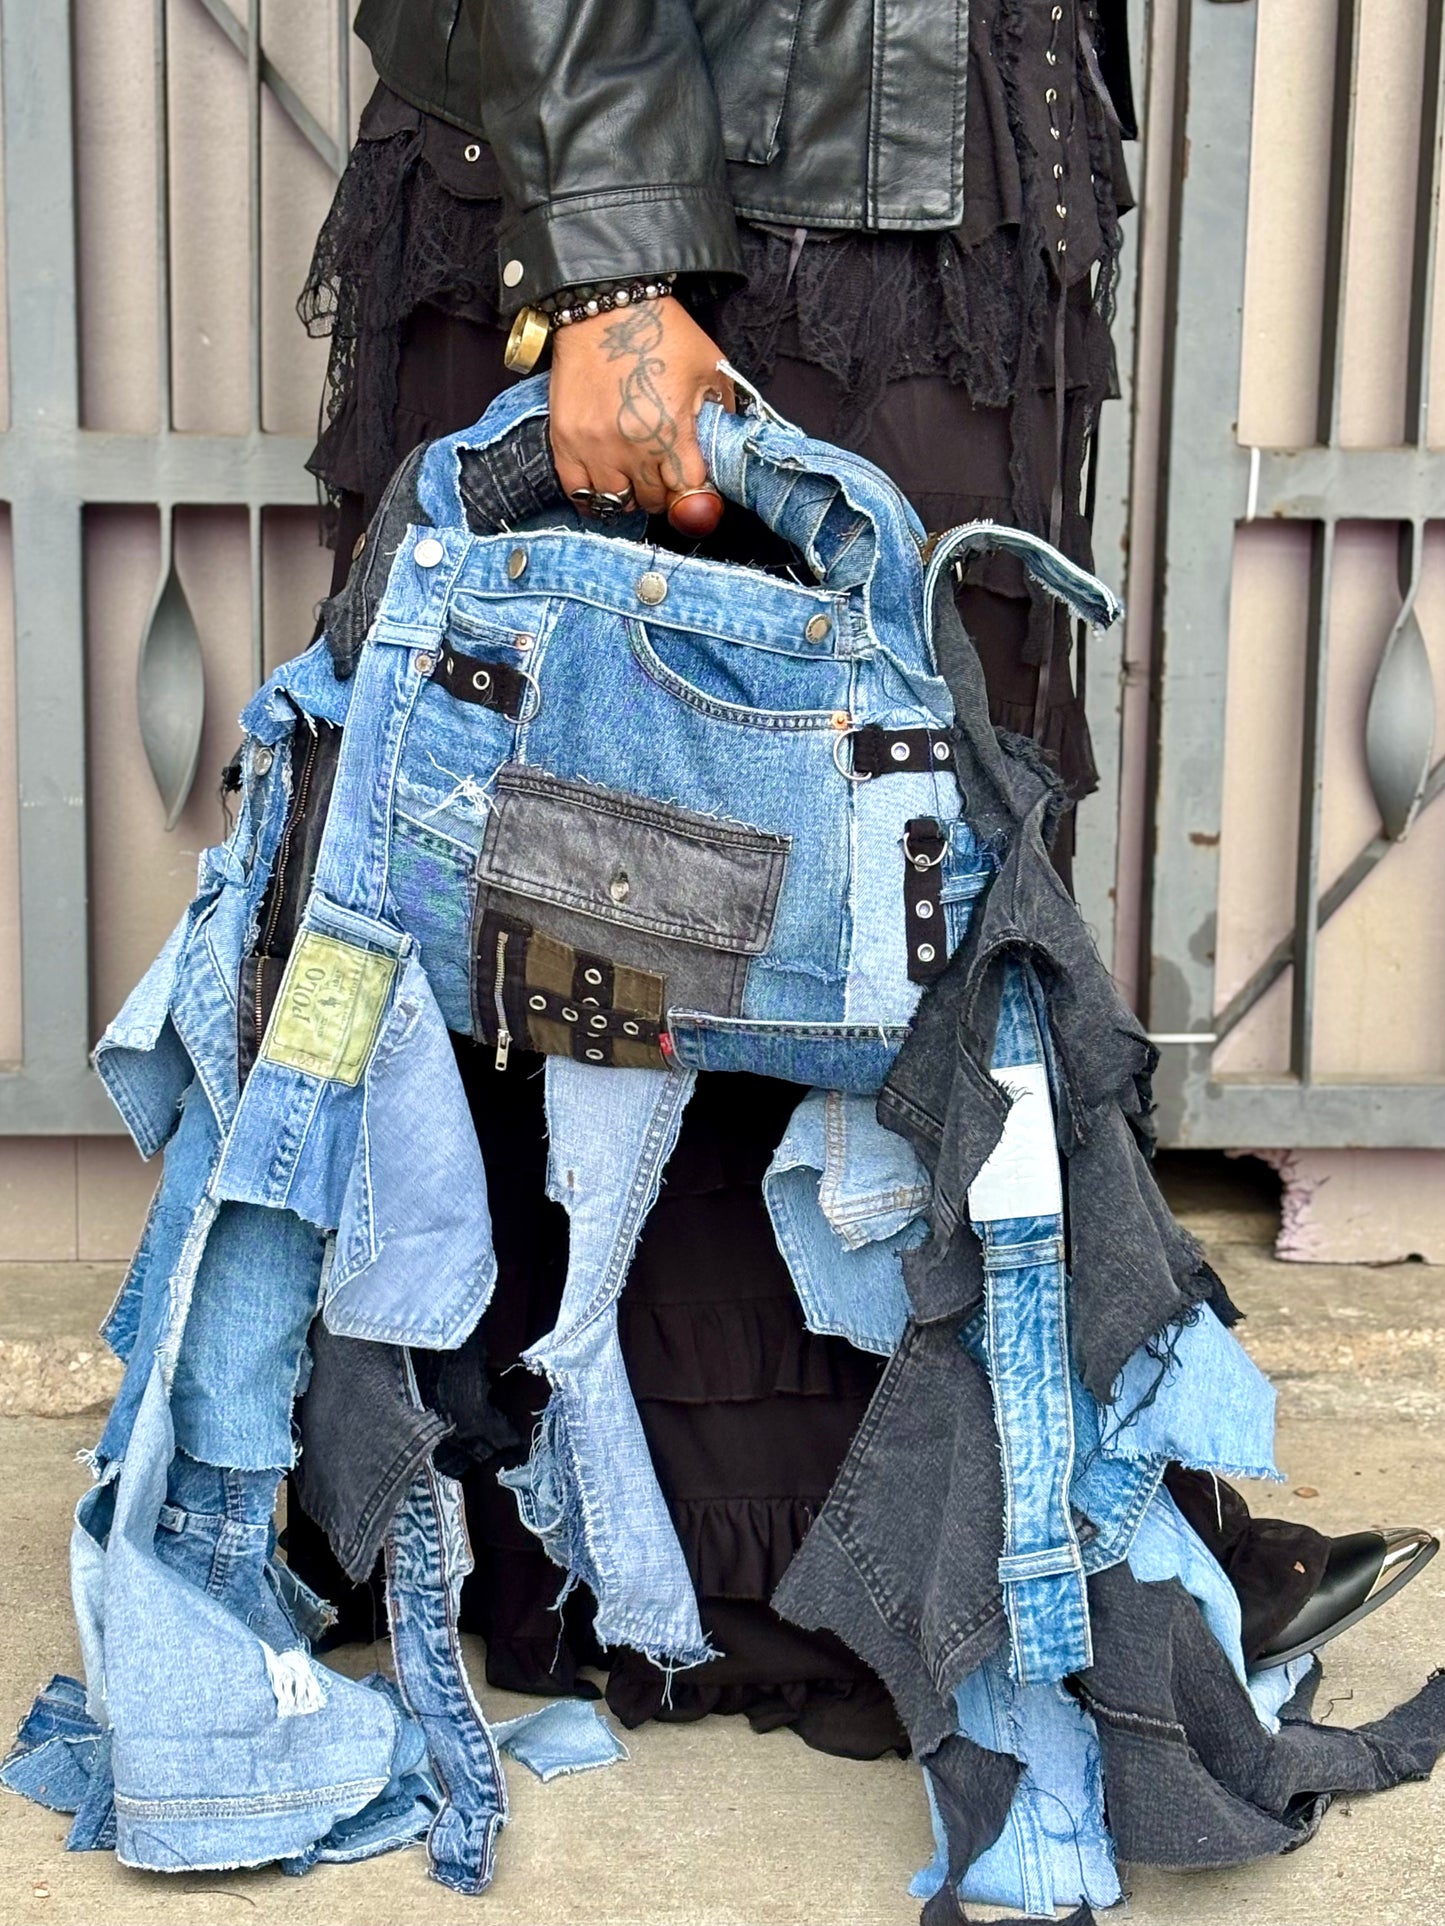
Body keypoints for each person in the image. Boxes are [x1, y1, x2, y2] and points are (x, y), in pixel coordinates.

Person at [284, 0, 1435, 1757]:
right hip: (708, 209)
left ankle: (983, 1540)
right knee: (667, 886)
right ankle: (660, 1559)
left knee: (878, 886)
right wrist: (603, 267)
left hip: (920, 178)